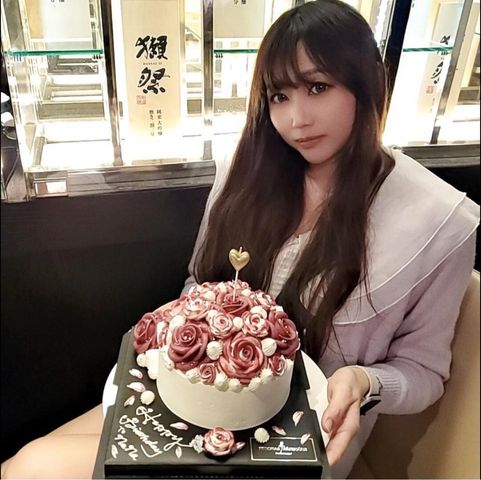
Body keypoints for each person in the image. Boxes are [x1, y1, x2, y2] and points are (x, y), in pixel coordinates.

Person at [2, 0, 479, 478]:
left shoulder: (438, 221)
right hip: (197, 403)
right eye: (279, 96)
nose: (297, 119)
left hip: (303, 442)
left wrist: (362, 381)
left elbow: (424, 372)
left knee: (34, 468)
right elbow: (199, 283)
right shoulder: (249, 171)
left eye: (318, 87)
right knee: (27, 461)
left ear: (368, 81)